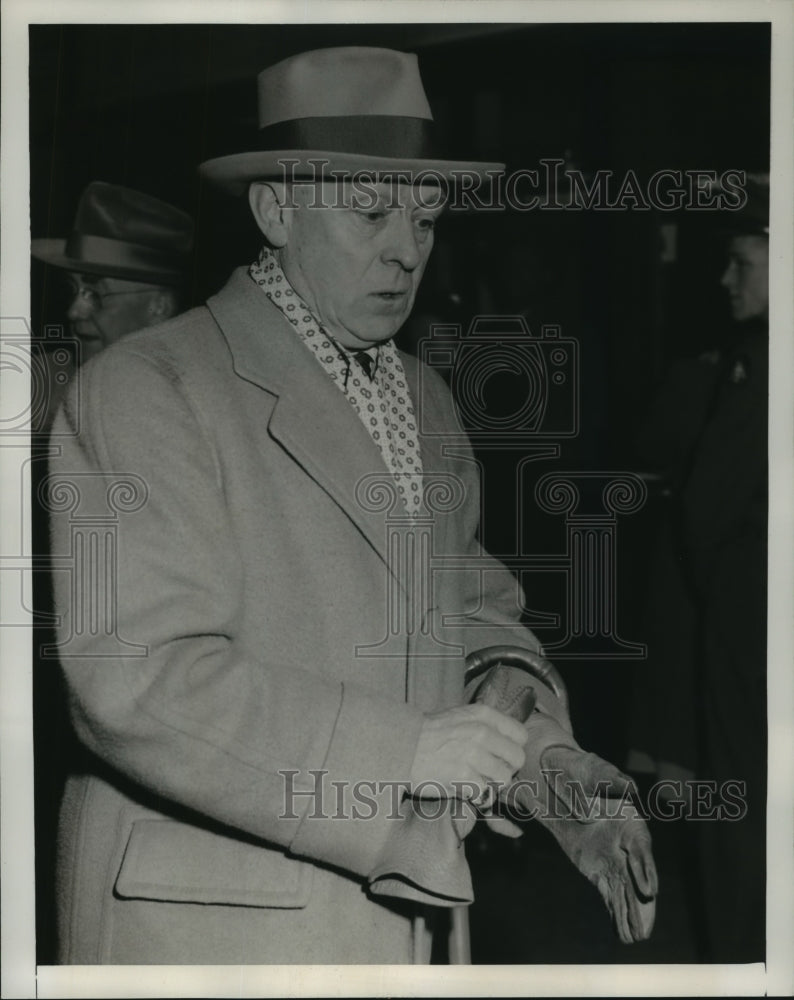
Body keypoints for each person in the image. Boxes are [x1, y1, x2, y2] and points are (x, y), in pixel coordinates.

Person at [47, 46, 655, 965]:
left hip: (399, 923)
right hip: (209, 929)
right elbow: (136, 682)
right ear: (276, 209)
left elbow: (468, 615)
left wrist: (538, 755)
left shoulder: (423, 400)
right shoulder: (149, 387)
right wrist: (406, 753)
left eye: (426, 214)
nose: (407, 248)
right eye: (371, 210)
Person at [32, 180, 194, 366]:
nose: (74, 312)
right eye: (71, 290)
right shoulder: (37, 378)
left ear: (159, 307)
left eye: (95, 295)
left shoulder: (190, 390)